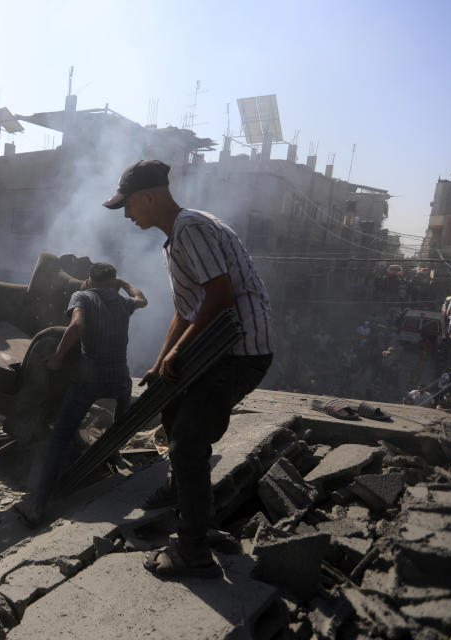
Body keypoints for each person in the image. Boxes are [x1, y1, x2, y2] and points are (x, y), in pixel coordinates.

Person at [104, 160, 273, 579]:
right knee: (170, 400)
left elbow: (220, 295)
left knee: (188, 442)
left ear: (149, 197)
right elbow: (186, 310)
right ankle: (183, 490)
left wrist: (179, 353)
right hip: (218, 347)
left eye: (128, 205)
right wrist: (163, 360)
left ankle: (194, 548)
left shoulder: (191, 228)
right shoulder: (174, 240)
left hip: (238, 350)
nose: (128, 214)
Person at [17, 263, 148, 524]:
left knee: (60, 439)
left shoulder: (82, 296)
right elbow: (141, 298)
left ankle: (37, 505)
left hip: (90, 377)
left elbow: (76, 326)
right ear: (112, 283)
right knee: (121, 423)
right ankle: (113, 451)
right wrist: (121, 283)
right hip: (120, 378)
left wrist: (56, 357)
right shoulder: (123, 303)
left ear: (89, 281)